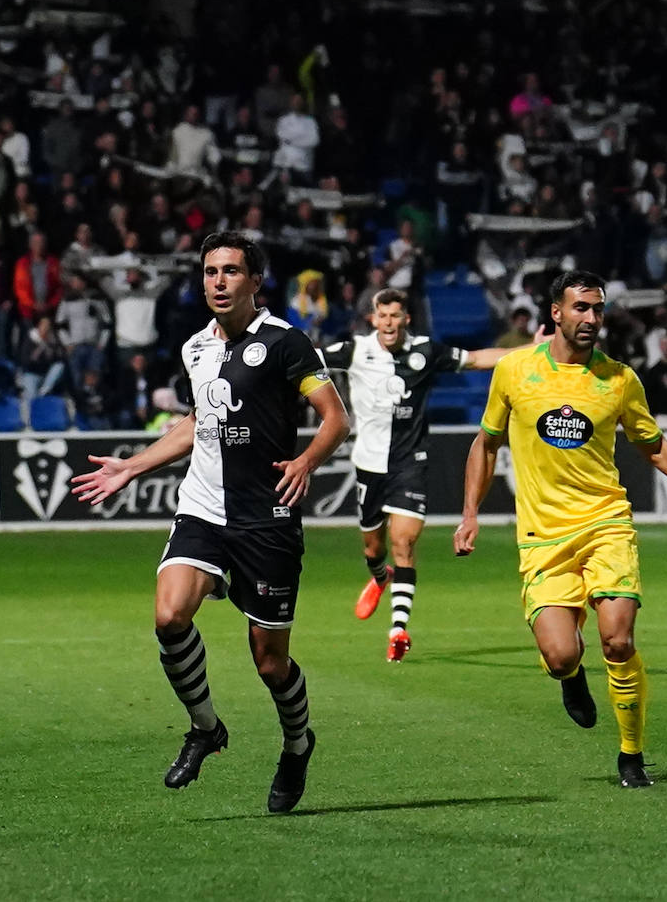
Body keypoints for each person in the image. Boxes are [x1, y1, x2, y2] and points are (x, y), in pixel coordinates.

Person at [72, 232, 350, 814]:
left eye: (229, 271)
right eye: (209, 272)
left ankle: (297, 744)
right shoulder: (196, 347)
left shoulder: (286, 343)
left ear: (255, 281)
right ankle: (205, 728)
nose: (217, 282)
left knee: (270, 663)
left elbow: (334, 418)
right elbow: (199, 421)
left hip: (266, 518)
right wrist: (133, 465)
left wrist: (305, 461)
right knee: (170, 614)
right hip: (204, 506)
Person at [454, 271, 667, 788]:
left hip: (606, 524)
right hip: (543, 539)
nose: (591, 319)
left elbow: (652, 444)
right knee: (562, 653)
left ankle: (631, 754)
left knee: (616, 640)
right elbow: (487, 443)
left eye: (598, 309)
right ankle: (569, 678)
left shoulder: (619, 379)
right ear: (556, 313)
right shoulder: (516, 371)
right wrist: (470, 513)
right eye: (581, 308)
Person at [320, 288, 530, 662]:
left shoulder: (426, 352)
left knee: (405, 544)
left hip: (410, 464)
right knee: (374, 548)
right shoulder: (355, 351)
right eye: (382, 316)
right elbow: (304, 359)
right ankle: (379, 576)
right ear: (373, 319)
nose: (388, 323)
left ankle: (398, 631)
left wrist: (536, 350)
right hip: (369, 465)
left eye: (395, 316)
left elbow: (480, 358)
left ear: (406, 319)